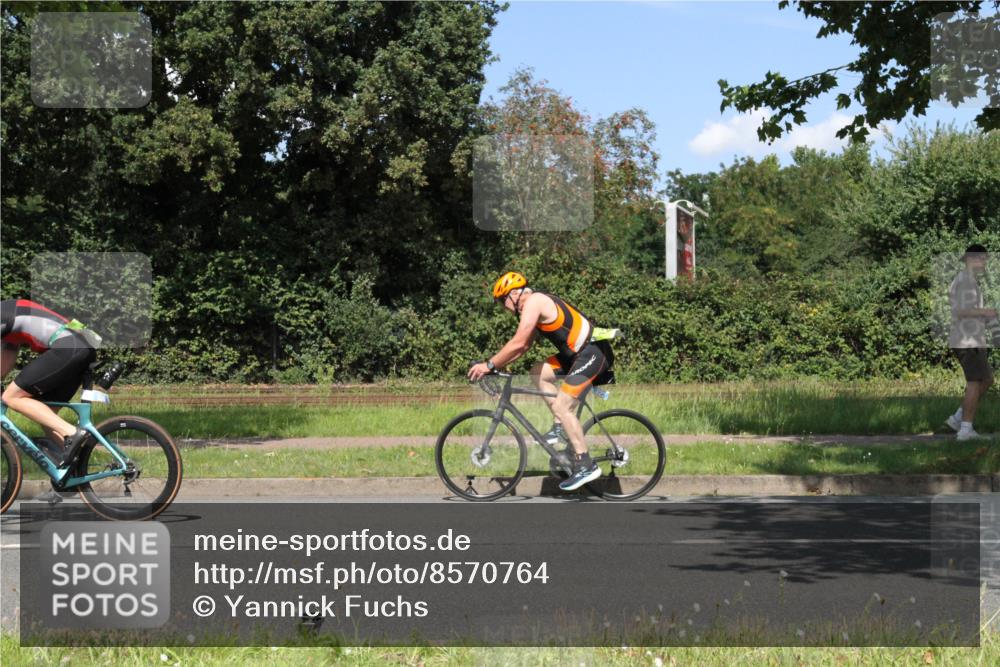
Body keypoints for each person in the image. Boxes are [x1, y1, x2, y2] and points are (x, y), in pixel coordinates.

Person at [468, 272, 613, 491]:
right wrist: (496, 365)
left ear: (515, 294)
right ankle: (560, 428)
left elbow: (517, 343)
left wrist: (488, 365)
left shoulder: (534, 302)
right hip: (576, 355)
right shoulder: (533, 305)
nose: (503, 307)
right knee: (538, 372)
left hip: (592, 353)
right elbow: (524, 346)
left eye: (503, 301)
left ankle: (586, 465)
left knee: (565, 406)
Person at [1, 299, 99, 463]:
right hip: (80, 345)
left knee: (11, 397)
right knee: (47, 416)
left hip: (69, 347)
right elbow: (6, 357)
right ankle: (76, 475)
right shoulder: (7, 317)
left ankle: (72, 433)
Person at [945, 245, 995, 440]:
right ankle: (965, 430)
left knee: (987, 378)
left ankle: (959, 417)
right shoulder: (965, 281)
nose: (985, 263)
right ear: (971, 259)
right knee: (974, 382)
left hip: (970, 338)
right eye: (983, 259)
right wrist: (987, 312)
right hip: (967, 340)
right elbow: (961, 311)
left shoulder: (966, 280)